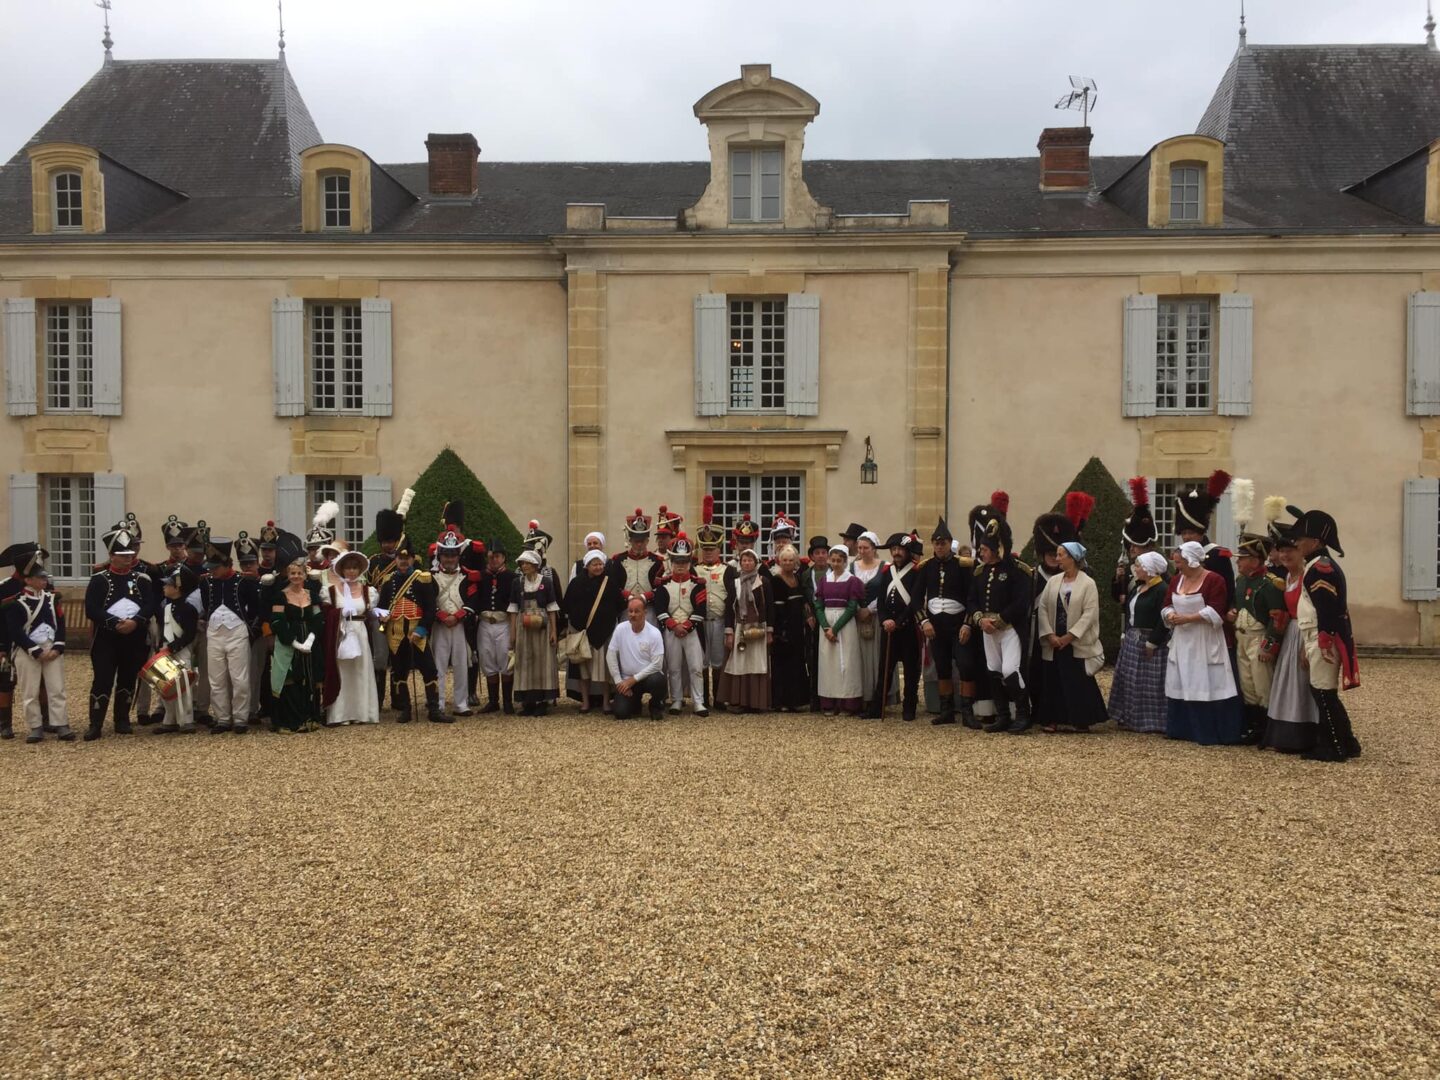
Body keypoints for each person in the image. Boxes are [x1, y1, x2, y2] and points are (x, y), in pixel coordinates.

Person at [1290, 506, 1361, 762]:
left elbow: (1327, 607)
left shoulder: (1321, 567)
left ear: (1316, 541)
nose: (1296, 543)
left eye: (1301, 539)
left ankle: (1334, 747)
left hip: (1323, 636)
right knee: (1323, 691)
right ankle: (1347, 742)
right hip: (1316, 634)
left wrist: (1324, 638)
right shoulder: (1317, 565)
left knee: (1323, 692)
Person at [1162, 540, 1245, 745]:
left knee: (1206, 681)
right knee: (1182, 680)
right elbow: (1166, 604)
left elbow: (1217, 609)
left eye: (1179, 562)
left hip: (1205, 639)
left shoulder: (1214, 580)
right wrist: (1171, 614)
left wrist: (1188, 618)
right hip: (1182, 639)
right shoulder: (1176, 581)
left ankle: (1210, 732)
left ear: (1192, 561)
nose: (1177, 566)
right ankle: (1181, 729)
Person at [84, 516, 158, 740]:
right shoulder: (99, 580)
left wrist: (136, 621)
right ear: (112, 556)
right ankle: (95, 723)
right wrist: (114, 623)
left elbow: (151, 603)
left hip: (134, 637)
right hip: (107, 638)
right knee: (103, 679)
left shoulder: (142, 578)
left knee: (127, 678)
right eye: (123, 555)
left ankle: (122, 719)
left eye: (130, 555)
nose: (128, 559)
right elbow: (92, 609)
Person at [968, 506, 1037, 733]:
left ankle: (1024, 713)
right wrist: (980, 620)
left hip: (1009, 629)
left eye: (985, 549)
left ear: (997, 548)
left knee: (1010, 670)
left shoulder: (1017, 570)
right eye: (981, 548)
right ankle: (1003, 716)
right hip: (987, 630)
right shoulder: (980, 572)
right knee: (994, 670)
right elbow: (973, 600)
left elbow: (1021, 601)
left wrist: (999, 620)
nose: (981, 552)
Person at [1260, 502, 1321, 752]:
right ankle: (1285, 735)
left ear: (1301, 552)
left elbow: (1317, 611)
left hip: (1306, 633)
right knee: (1287, 685)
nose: (1285, 556)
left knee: (1303, 686)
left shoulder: (1309, 575)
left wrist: (1309, 646)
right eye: (1281, 552)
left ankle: (1306, 737)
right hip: (1290, 635)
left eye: (1290, 552)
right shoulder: (1286, 577)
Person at [1036, 540, 1108, 732]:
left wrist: (1071, 636)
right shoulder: (1053, 581)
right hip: (1054, 640)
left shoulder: (1087, 583)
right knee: (1053, 680)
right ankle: (1051, 719)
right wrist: (1049, 634)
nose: (1057, 558)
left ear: (1073, 558)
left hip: (1075, 641)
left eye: (1061, 555)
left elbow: (1090, 613)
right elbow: (1042, 608)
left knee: (1076, 680)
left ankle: (1080, 719)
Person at [6, 550, 72, 743]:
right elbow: (15, 632)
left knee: (57, 688)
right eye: (40, 578)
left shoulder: (52, 599)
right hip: (27, 652)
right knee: (30, 691)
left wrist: (57, 647)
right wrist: (34, 650)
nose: (44, 581)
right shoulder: (15, 603)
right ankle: (35, 726)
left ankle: (61, 723)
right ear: (28, 580)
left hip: (52, 648)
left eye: (44, 578)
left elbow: (60, 624)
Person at [196, 536, 260, 734]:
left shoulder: (243, 581)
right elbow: (207, 605)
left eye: (215, 567)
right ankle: (222, 718)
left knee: (239, 678)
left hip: (237, 632)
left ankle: (240, 718)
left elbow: (255, 607)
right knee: (216, 678)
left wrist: (248, 628)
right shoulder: (206, 583)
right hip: (215, 633)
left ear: (226, 564)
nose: (212, 571)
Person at [378, 538, 445, 723]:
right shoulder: (388, 580)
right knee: (399, 671)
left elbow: (431, 608)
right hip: (396, 633)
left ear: (413, 558)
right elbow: (381, 607)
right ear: (396, 559)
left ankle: (434, 709)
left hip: (417, 631)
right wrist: (382, 615)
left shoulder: (423, 579)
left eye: (407, 558)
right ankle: (405, 709)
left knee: (429, 670)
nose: (403, 561)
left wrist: (422, 629)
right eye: (400, 558)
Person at [916, 518, 974, 726]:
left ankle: (967, 713)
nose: (940, 547)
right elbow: (916, 600)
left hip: (958, 626)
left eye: (944, 543)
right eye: (937, 543)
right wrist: (924, 622)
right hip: (935, 628)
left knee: (966, 666)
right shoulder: (926, 567)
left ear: (950, 544)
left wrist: (968, 624)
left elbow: (972, 599)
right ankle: (946, 710)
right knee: (942, 667)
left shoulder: (963, 566)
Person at [1232, 526, 1286, 745]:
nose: (1238, 562)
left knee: (1263, 684)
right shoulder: (1241, 582)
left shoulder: (1271, 585)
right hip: (1241, 638)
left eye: (1243, 558)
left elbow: (1278, 618)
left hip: (1258, 638)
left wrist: (1269, 645)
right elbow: (1237, 604)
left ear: (1255, 560)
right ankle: (1253, 727)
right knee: (1247, 684)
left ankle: (1268, 730)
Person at [1108, 550, 1171, 734]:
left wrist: (1153, 642)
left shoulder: (1162, 590)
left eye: (1139, 565)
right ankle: (1128, 716)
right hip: (1132, 638)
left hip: (1150, 640)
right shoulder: (1138, 587)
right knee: (1129, 679)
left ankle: (1151, 720)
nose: (1135, 569)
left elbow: (1163, 619)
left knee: (1148, 683)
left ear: (1150, 569)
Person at [321, 548, 381, 726]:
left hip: (360, 632)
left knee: (360, 671)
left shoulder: (368, 591)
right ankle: (341, 714)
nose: (351, 571)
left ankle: (362, 712)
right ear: (341, 570)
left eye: (355, 568)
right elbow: (325, 614)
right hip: (340, 632)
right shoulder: (330, 591)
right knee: (342, 672)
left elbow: (372, 613)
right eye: (348, 568)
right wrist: (338, 613)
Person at [368, 489, 415, 707]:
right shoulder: (372, 562)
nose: (387, 545)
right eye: (384, 541)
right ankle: (377, 699)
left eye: (391, 540)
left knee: (399, 657)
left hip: (401, 615)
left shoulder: (410, 560)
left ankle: (399, 699)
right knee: (379, 657)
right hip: (379, 615)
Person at [562, 549, 623, 713]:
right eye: (594, 564)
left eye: (600, 564)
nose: (598, 567)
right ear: (587, 566)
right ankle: (585, 702)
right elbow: (567, 605)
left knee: (603, 671)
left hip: (604, 632)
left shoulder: (610, 583)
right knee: (584, 671)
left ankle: (605, 702)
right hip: (582, 632)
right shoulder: (575, 583)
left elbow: (618, 605)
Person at [654, 535, 708, 716]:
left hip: (691, 631)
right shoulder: (663, 584)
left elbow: (701, 610)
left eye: (684, 561)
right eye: (677, 561)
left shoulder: (698, 584)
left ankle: (698, 701)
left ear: (689, 561)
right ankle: (676, 699)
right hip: (671, 631)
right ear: (671, 560)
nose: (680, 565)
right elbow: (660, 609)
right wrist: (673, 626)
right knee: (674, 667)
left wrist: (686, 626)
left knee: (695, 667)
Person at [268, 559, 324, 732]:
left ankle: (309, 717)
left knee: (310, 678)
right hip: (288, 642)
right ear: (288, 575)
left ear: (305, 576)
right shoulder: (280, 595)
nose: (296, 576)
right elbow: (277, 622)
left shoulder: (312, 595)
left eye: (299, 573)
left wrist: (310, 640)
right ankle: (289, 721)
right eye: (293, 573)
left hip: (309, 641)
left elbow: (317, 618)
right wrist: (294, 643)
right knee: (289, 680)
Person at [873, 531, 924, 721]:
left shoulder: (917, 571)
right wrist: (884, 619)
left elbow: (915, 602)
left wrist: (899, 621)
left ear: (907, 551)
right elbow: (881, 600)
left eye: (899, 549)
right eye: (893, 549)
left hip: (908, 627)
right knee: (884, 668)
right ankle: (877, 707)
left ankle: (909, 707)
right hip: (889, 628)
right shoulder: (887, 572)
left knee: (911, 670)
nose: (896, 552)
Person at [812, 544, 864, 715]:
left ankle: (848, 703)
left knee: (847, 662)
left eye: (839, 561)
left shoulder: (852, 581)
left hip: (845, 625)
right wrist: (826, 627)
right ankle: (828, 702)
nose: (835, 564)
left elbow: (852, 607)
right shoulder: (824, 580)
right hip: (826, 623)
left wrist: (836, 628)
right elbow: (818, 605)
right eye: (832, 560)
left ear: (845, 561)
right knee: (828, 664)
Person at [431, 528, 477, 718]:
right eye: (446, 555)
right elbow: (427, 601)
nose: (449, 559)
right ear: (440, 556)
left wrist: (457, 616)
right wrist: (441, 615)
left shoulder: (468, 576)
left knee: (461, 664)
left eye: (453, 555)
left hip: (460, 626)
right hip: (440, 626)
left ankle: (461, 703)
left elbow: (473, 601)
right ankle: (439, 703)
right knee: (438, 665)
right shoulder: (429, 576)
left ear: (458, 556)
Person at [694, 498, 736, 711]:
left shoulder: (728, 570)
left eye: (712, 548)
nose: (708, 552)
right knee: (701, 662)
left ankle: (719, 698)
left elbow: (732, 601)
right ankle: (702, 699)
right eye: (705, 548)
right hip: (700, 622)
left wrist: (730, 627)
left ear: (718, 549)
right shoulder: (695, 570)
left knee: (719, 661)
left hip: (719, 621)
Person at [508, 549, 560, 716]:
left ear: (535, 565)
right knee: (525, 660)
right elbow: (514, 608)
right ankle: (527, 701)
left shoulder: (546, 582)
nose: (524, 566)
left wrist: (554, 631)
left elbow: (552, 607)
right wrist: (513, 632)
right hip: (524, 625)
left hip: (543, 625)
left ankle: (542, 701)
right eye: (522, 563)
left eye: (527, 563)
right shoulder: (517, 583)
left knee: (542, 661)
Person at [720, 547, 772, 711]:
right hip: (739, 627)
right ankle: (739, 701)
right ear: (740, 563)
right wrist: (729, 632)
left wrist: (769, 631)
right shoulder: (734, 583)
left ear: (756, 563)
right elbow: (729, 608)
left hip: (757, 627)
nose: (747, 563)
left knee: (756, 663)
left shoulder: (763, 582)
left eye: (750, 560)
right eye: (744, 560)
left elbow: (770, 608)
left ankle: (757, 702)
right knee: (739, 663)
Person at [151, 565, 201, 735]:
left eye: (168, 585)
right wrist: (161, 647)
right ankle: (169, 719)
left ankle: (186, 720)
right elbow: (162, 629)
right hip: (166, 649)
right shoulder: (163, 607)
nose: (164, 587)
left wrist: (175, 646)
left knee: (183, 686)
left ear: (177, 587)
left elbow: (190, 633)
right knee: (165, 686)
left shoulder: (188, 609)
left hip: (181, 649)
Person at [607, 596, 667, 720]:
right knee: (621, 713)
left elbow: (657, 664)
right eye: (630, 611)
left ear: (645, 613)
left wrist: (634, 679)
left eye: (637, 611)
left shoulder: (654, 633)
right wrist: (619, 682)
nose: (633, 614)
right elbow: (610, 655)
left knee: (658, 680)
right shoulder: (620, 629)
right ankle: (635, 703)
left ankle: (655, 705)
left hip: (647, 678)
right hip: (627, 679)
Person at [769, 545, 812, 712]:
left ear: (796, 562)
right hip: (783, 629)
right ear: (779, 562)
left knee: (797, 664)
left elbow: (803, 603)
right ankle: (780, 701)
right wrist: (779, 631)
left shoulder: (798, 578)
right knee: (781, 666)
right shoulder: (776, 580)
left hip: (797, 629)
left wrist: (808, 615)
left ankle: (796, 700)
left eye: (791, 560)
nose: (787, 563)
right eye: (784, 560)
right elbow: (776, 608)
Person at [474, 541, 515, 714]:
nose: (493, 560)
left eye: (497, 556)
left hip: (503, 623)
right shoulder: (480, 576)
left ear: (503, 558)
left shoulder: (512, 577)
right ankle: (493, 701)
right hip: (485, 623)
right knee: (487, 659)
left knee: (505, 660)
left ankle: (507, 701)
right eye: (491, 557)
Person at [850, 530, 887, 714]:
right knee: (858, 656)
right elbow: (847, 590)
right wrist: (857, 608)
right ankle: (859, 697)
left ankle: (876, 697)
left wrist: (870, 609)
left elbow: (887, 592)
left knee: (875, 656)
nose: (862, 551)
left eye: (866, 548)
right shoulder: (852, 567)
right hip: (856, 617)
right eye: (860, 548)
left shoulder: (884, 567)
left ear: (874, 548)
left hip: (876, 616)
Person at [613, 509, 664, 622]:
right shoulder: (618, 560)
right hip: (626, 609)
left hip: (648, 610)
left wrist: (645, 597)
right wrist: (629, 596)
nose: (639, 544)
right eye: (636, 541)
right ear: (630, 540)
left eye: (642, 541)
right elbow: (614, 586)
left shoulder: (657, 561)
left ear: (647, 541)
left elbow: (661, 587)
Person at [803, 534, 830, 710]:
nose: (820, 556)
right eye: (817, 553)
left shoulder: (834, 571)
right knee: (812, 658)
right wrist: (808, 615)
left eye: (823, 552)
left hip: (830, 617)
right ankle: (814, 699)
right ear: (812, 556)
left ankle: (829, 696)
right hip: (813, 619)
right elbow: (803, 599)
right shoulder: (806, 574)